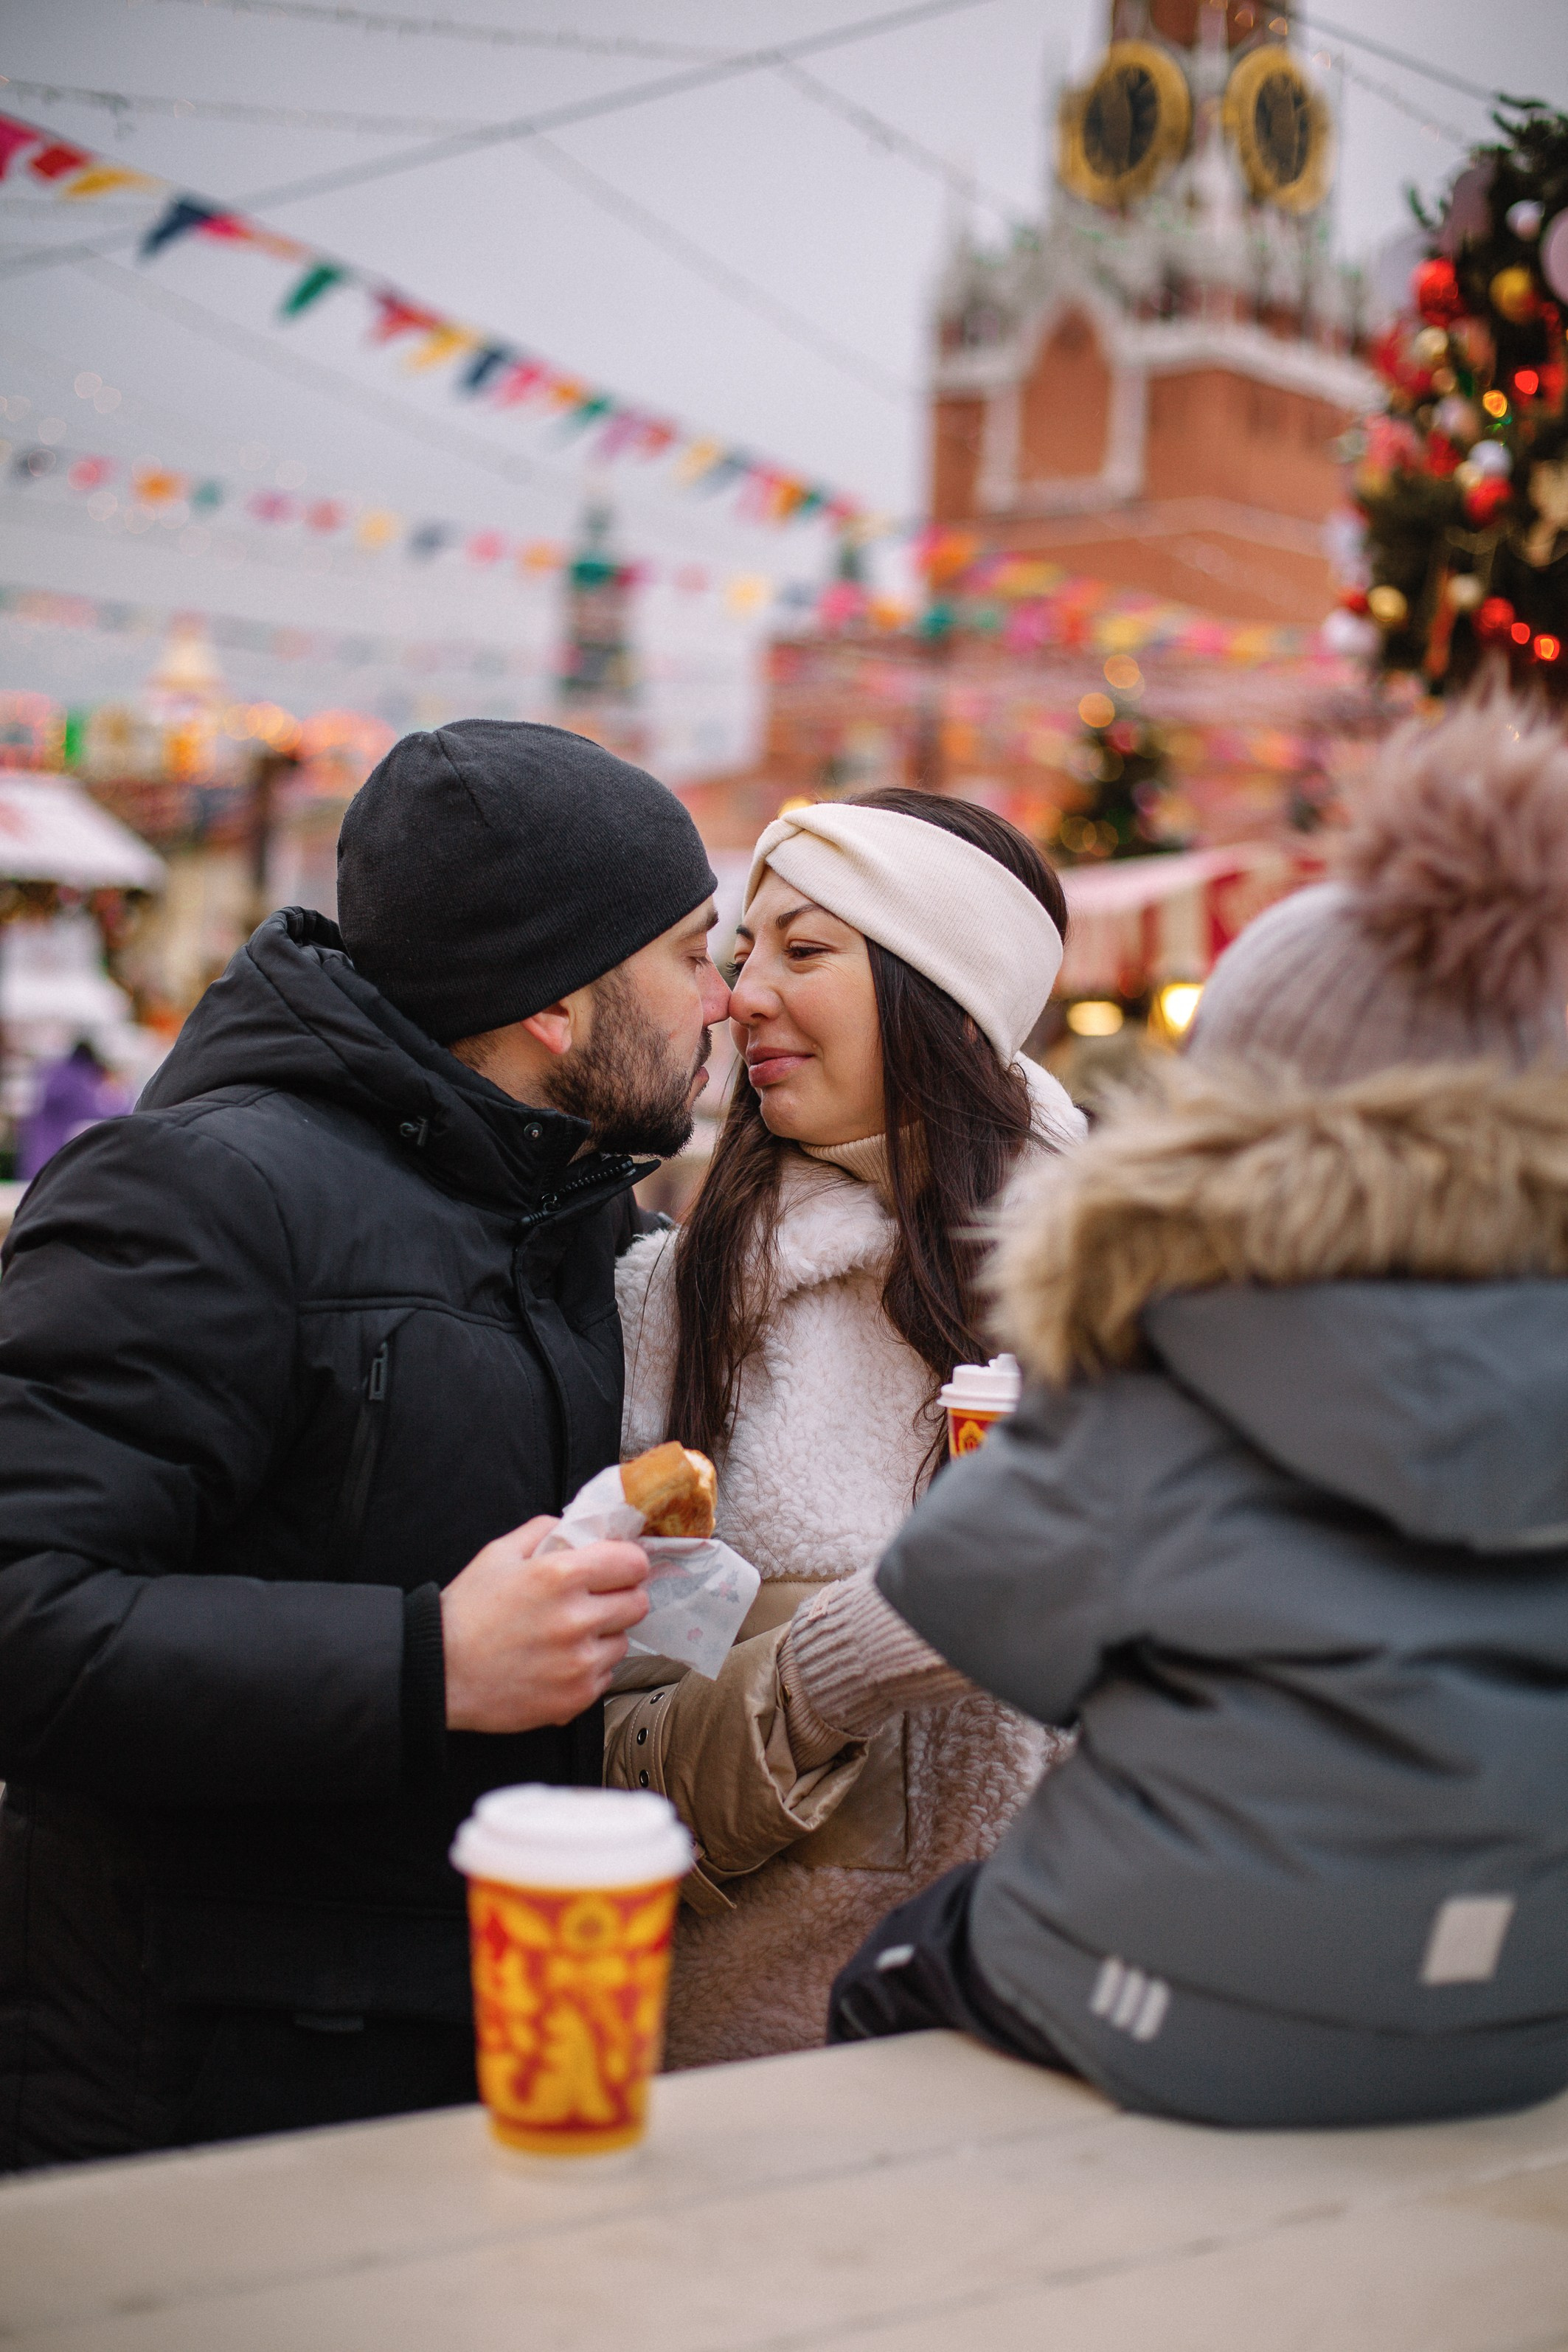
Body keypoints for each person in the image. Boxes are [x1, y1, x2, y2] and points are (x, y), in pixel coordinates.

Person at [830, 691, 1568, 2130]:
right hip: (1523, 2014)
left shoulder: (1164, 1367)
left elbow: (963, 1596)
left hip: (1174, 2002)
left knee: (889, 1972)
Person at [0, 720, 729, 2170]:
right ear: (558, 1000)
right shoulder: (203, 1191)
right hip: (194, 2098)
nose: (723, 996)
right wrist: (427, 1659)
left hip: (482, 2044)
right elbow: (23, 1612)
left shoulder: (579, 1221)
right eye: (691, 953)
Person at [610, 789, 1085, 2067]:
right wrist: (831, 1676)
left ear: (947, 990)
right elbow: (611, 1762)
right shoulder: (677, 1303)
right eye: (740, 951)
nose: (741, 995)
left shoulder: (1139, 1302)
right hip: (759, 2078)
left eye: (804, 948)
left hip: (1068, 2053)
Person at [16, 1036, 130, 1181]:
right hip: (56, 1161)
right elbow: (109, 1113)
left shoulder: (57, 1074)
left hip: (45, 1161)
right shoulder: (79, 1082)